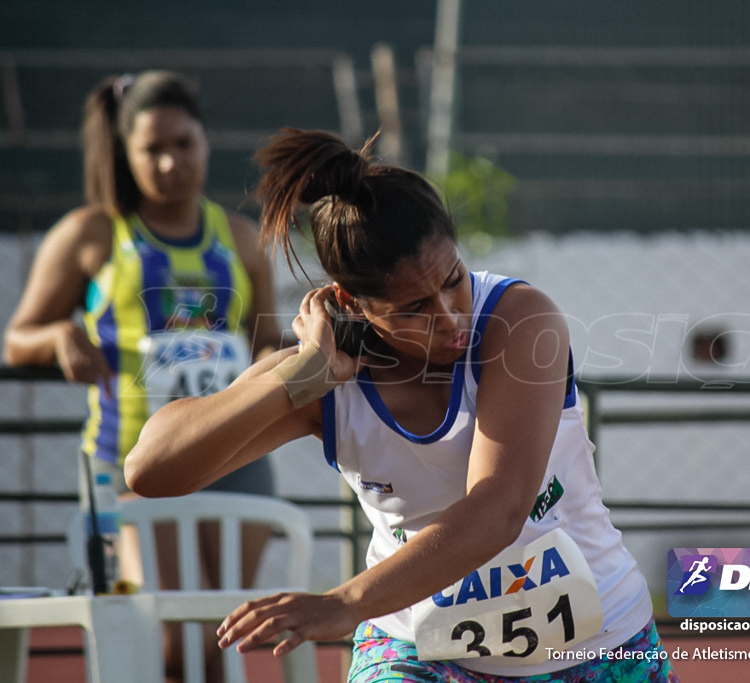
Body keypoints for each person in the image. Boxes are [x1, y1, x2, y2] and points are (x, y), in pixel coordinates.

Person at [124, 127, 680, 682]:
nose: (450, 316)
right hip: (420, 650)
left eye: (454, 280)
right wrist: (297, 377)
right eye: (414, 307)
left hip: (600, 643)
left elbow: (500, 509)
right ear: (350, 302)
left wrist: (345, 602)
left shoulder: (520, 319)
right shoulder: (325, 374)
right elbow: (151, 471)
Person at [2, 70, 285, 683]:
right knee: (175, 646)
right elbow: (17, 338)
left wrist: (288, 356)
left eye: (183, 144)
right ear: (125, 155)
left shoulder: (241, 239)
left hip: (237, 455)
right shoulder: (93, 234)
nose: (169, 162)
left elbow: (267, 343)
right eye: (151, 150)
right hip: (132, 463)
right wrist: (57, 336)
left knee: (224, 643)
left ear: (206, 143)